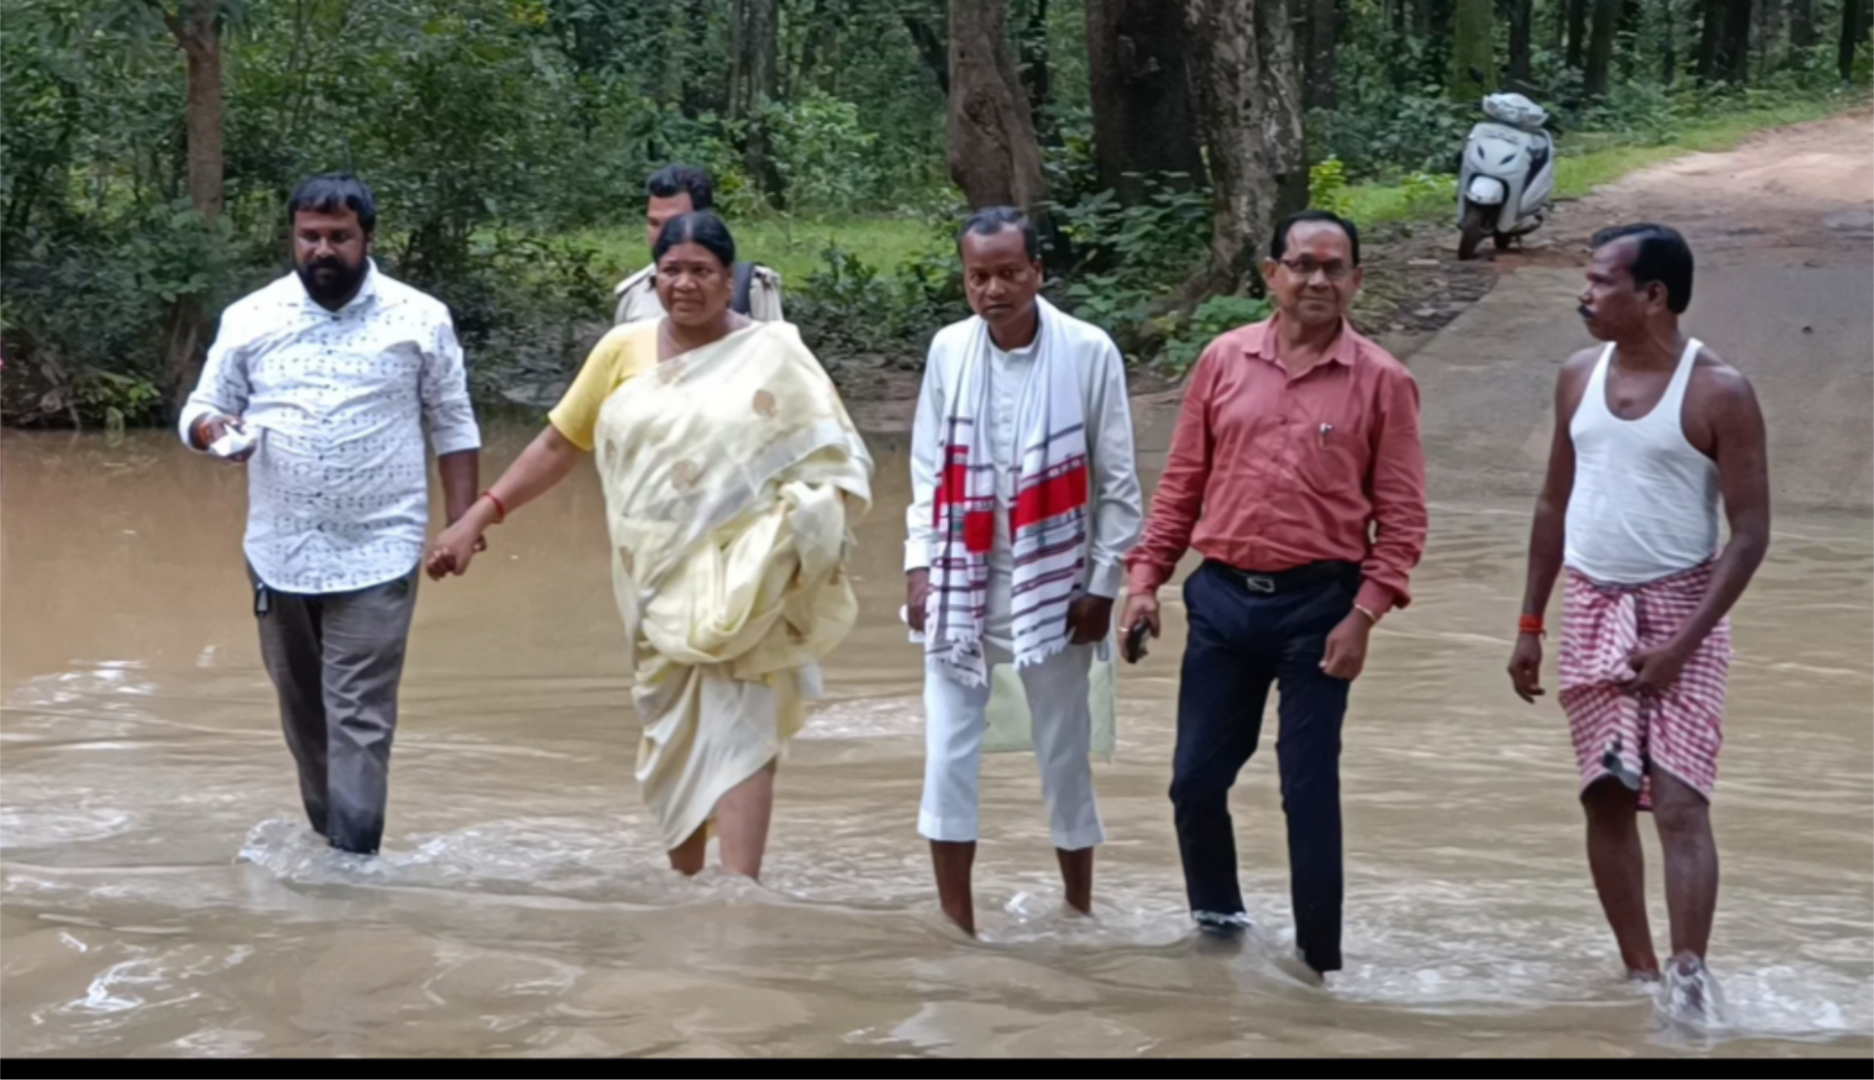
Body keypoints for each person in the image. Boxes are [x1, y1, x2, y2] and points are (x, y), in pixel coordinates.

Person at [428, 211, 871, 880]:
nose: (685, 284)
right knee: (671, 734)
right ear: (654, 276)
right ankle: (688, 886)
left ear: (730, 280)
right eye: (672, 271)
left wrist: (796, 531)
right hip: (651, 574)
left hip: (747, 568)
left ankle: (739, 895)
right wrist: (478, 518)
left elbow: (829, 460)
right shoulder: (621, 349)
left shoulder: (776, 353)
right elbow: (558, 444)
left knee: (744, 725)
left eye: (701, 271)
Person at [1121, 210, 1427, 984]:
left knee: (1308, 791)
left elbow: (1404, 518)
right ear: (1271, 274)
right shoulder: (1223, 361)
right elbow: (1183, 483)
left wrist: (1365, 615)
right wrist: (1144, 581)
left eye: (1334, 268)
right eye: (1303, 265)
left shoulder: (1383, 381)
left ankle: (1318, 967)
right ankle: (1218, 933)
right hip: (1222, 602)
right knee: (1194, 781)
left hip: (1321, 610)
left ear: (1357, 281)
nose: (1317, 280)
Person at [1508, 224, 1769, 1022]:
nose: (1584, 295)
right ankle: (1640, 975)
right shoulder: (1577, 376)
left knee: (1683, 802)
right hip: (1592, 601)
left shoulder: (1719, 390)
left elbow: (1750, 532)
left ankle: (1689, 980)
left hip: (1683, 608)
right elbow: (1554, 502)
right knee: (1606, 796)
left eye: (1600, 282)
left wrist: (1681, 643)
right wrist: (1529, 623)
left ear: (1652, 295)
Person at [178, 173, 482, 856]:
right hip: (279, 551)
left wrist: (464, 522)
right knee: (305, 719)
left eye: (338, 237)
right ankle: (334, 839)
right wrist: (213, 432)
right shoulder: (251, 317)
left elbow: (454, 423)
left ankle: (355, 864)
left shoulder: (419, 317)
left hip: (380, 549)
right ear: (293, 238)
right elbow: (200, 408)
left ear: (367, 239)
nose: (322, 249)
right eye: (309, 236)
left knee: (360, 716)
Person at [905, 206, 1143, 937]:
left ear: (1038, 272)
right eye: (979, 276)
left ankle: (1077, 909)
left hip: (1058, 585)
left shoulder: (1088, 350)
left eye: (1009, 273)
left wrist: (1103, 585)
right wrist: (919, 569)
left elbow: (1120, 484)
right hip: (963, 582)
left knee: (1063, 753)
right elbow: (926, 472)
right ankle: (958, 927)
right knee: (946, 757)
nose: (994, 290)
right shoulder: (949, 350)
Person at [612, 165, 784, 326]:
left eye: (675, 223)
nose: (663, 234)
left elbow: (778, 353)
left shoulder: (750, 287)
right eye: (654, 223)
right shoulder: (634, 295)